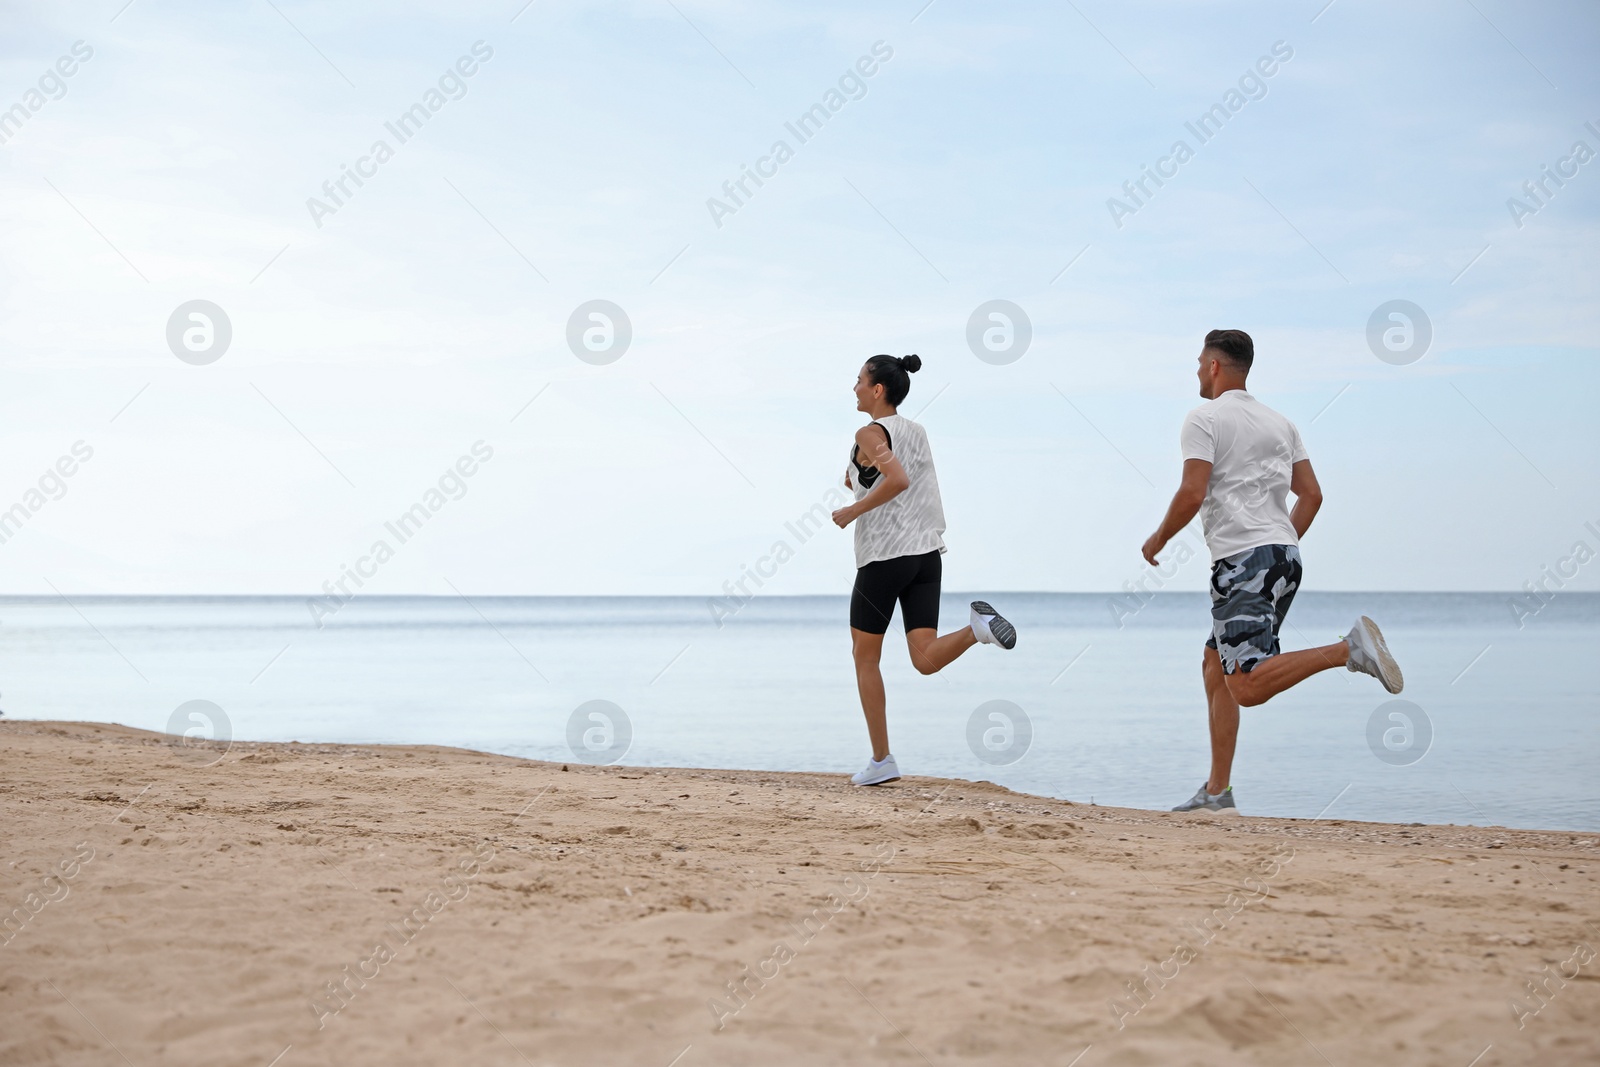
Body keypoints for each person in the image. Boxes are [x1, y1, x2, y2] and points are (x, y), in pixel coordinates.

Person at [1142, 329, 1403, 815]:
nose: (1198, 370)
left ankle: (1349, 649)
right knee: (1214, 665)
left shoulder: (1203, 419)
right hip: (1282, 556)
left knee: (1245, 684)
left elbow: (1192, 492)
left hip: (1244, 561)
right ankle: (1217, 793)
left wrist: (1157, 540)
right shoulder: (1281, 423)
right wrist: (1277, 544)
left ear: (1215, 366)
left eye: (1200, 362)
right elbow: (1312, 495)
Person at [832, 354, 1016, 786]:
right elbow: (883, 473)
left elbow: (897, 480)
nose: (854, 387)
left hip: (884, 557)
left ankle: (881, 760)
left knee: (864, 657)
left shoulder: (868, 430)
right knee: (923, 657)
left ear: (878, 390)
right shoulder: (916, 431)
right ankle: (978, 628)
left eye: (858, 380)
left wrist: (853, 510)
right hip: (926, 557)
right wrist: (857, 478)